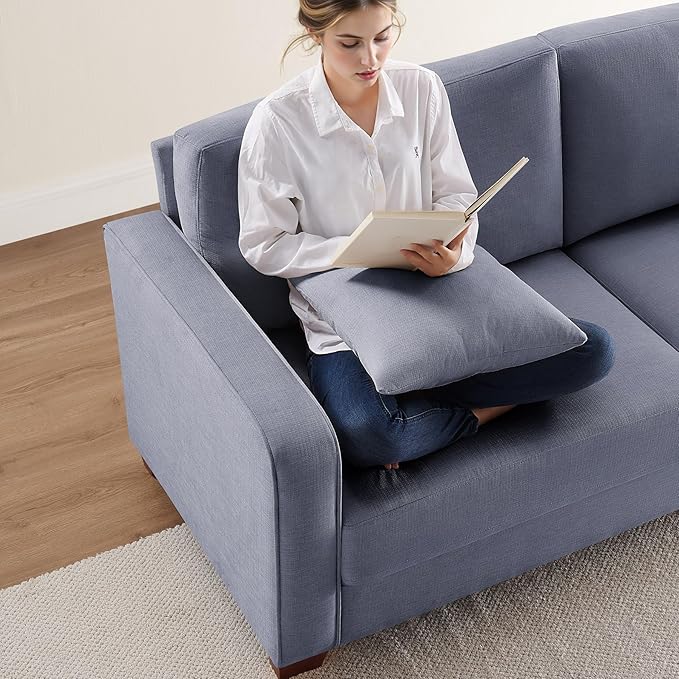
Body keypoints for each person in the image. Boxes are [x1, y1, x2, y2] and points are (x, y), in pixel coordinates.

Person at [237, 0, 616, 471]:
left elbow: (456, 195)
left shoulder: (421, 87)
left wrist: (454, 256)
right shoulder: (278, 122)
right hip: (345, 321)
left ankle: (425, 411)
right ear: (316, 36)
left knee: (592, 351)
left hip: (435, 293)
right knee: (368, 434)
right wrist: (358, 252)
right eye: (349, 43)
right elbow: (264, 245)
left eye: (382, 38)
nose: (370, 59)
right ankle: (472, 408)